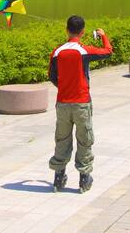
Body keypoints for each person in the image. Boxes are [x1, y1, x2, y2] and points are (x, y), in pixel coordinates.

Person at [47, 15, 112, 193]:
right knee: (84, 140)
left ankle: (58, 178)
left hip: (62, 103)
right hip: (82, 102)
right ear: (83, 32)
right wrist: (103, 35)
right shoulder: (84, 50)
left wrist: (64, 87)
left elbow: (51, 76)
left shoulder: (57, 51)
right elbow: (107, 51)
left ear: (66, 29)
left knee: (62, 139)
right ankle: (84, 179)